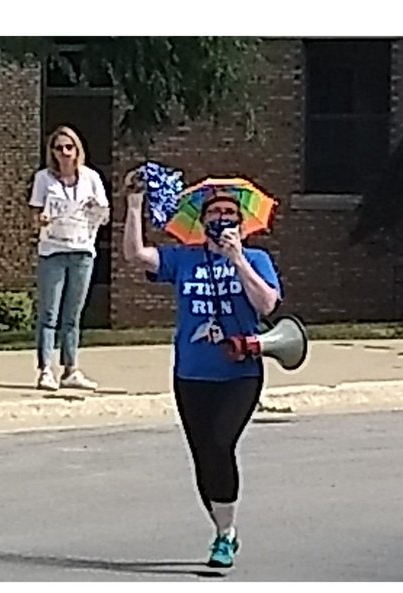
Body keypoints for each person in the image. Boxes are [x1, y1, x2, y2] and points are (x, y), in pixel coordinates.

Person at [121, 169, 282, 570]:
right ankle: (222, 527)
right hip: (192, 374)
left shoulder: (257, 258)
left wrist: (239, 260)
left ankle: (225, 535)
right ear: (202, 222)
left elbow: (267, 306)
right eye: (214, 213)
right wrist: (135, 204)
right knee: (202, 455)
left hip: (240, 374)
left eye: (229, 212)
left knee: (219, 444)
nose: (222, 218)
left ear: (242, 222)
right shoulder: (184, 259)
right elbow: (136, 255)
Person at [29, 126, 109, 392]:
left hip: (82, 249)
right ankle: (45, 369)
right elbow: (35, 214)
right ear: (52, 152)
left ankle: (71, 368)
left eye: (68, 147)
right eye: (59, 148)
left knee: (72, 315)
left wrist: (94, 209)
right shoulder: (44, 179)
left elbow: (104, 214)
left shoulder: (91, 178)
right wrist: (41, 219)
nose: (64, 153)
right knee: (49, 312)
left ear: (77, 150)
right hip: (53, 250)